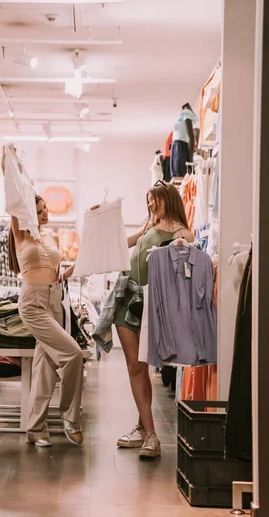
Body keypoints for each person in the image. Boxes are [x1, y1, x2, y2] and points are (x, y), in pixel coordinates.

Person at [1, 146, 83, 448]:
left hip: (55, 298)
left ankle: (35, 429)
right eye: (38, 211)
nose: (45, 213)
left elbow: (57, 269)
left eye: (45, 208)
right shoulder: (22, 235)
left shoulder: (50, 237)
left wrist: (70, 269)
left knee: (45, 367)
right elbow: (14, 199)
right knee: (73, 354)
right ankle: (70, 416)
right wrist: (8, 162)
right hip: (34, 303)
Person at [114, 182, 194, 458]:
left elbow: (188, 245)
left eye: (154, 201)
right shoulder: (150, 225)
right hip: (126, 301)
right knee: (136, 367)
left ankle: (145, 431)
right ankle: (148, 433)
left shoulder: (180, 230)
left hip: (150, 306)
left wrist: (181, 244)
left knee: (142, 367)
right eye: (148, 201)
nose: (150, 206)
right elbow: (126, 243)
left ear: (167, 200)